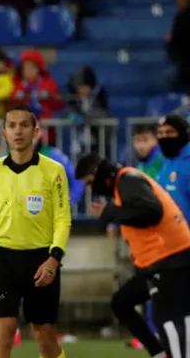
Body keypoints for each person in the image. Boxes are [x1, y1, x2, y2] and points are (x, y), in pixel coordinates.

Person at [0, 104, 71, 358]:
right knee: (3, 332)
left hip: (40, 261)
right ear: (4, 133)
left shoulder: (54, 171)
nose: (18, 131)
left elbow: (62, 218)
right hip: (3, 261)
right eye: (12, 126)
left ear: (36, 131)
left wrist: (54, 259)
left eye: (24, 125)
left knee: (44, 336)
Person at [77, 153, 190, 358]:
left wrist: (110, 212)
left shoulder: (127, 180)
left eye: (90, 183)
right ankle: (159, 353)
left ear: (97, 173)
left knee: (167, 318)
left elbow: (151, 212)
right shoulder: (125, 182)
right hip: (158, 263)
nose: (92, 189)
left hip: (171, 260)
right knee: (122, 302)